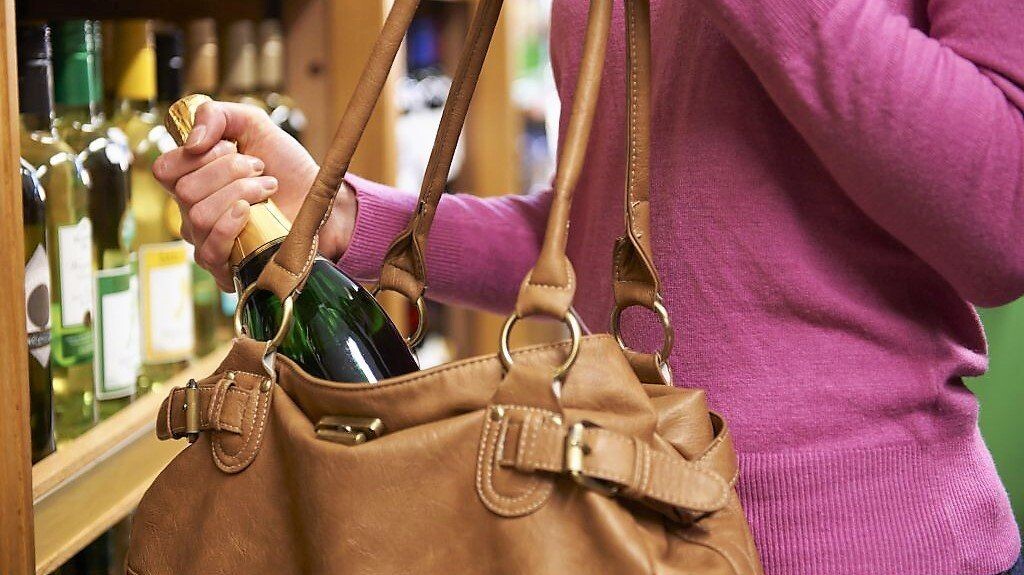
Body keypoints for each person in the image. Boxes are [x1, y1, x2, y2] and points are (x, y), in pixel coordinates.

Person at [153, 1, 1023, 573]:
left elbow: (1005, 218)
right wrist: (347, 216)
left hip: (876, 543)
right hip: (614, 531)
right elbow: (609, 233)